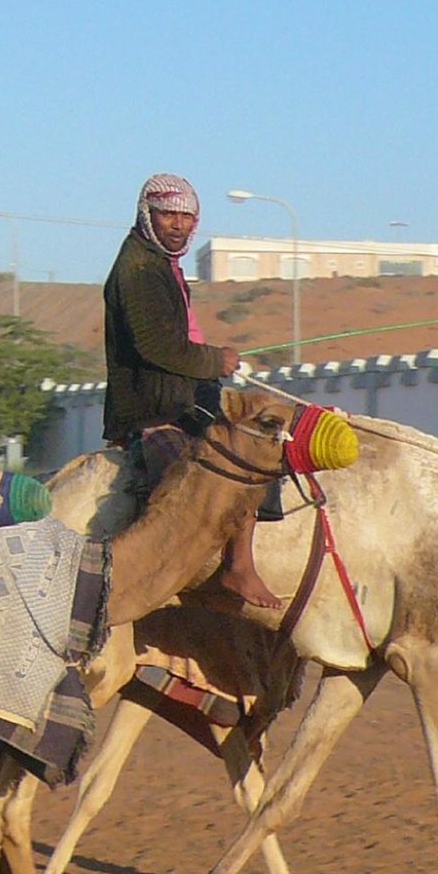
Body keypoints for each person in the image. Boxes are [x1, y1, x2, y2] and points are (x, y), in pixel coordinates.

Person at [102, 172, 283, 609]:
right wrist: (213, 360)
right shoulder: (139, 270)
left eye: (187, 217)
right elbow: (156, 345)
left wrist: (210, 362)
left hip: (178, 391)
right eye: (168, 215)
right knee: (242, 454)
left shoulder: (158, 262)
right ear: (147, 215)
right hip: (156, 402)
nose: (178, 225)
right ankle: (237, 566)